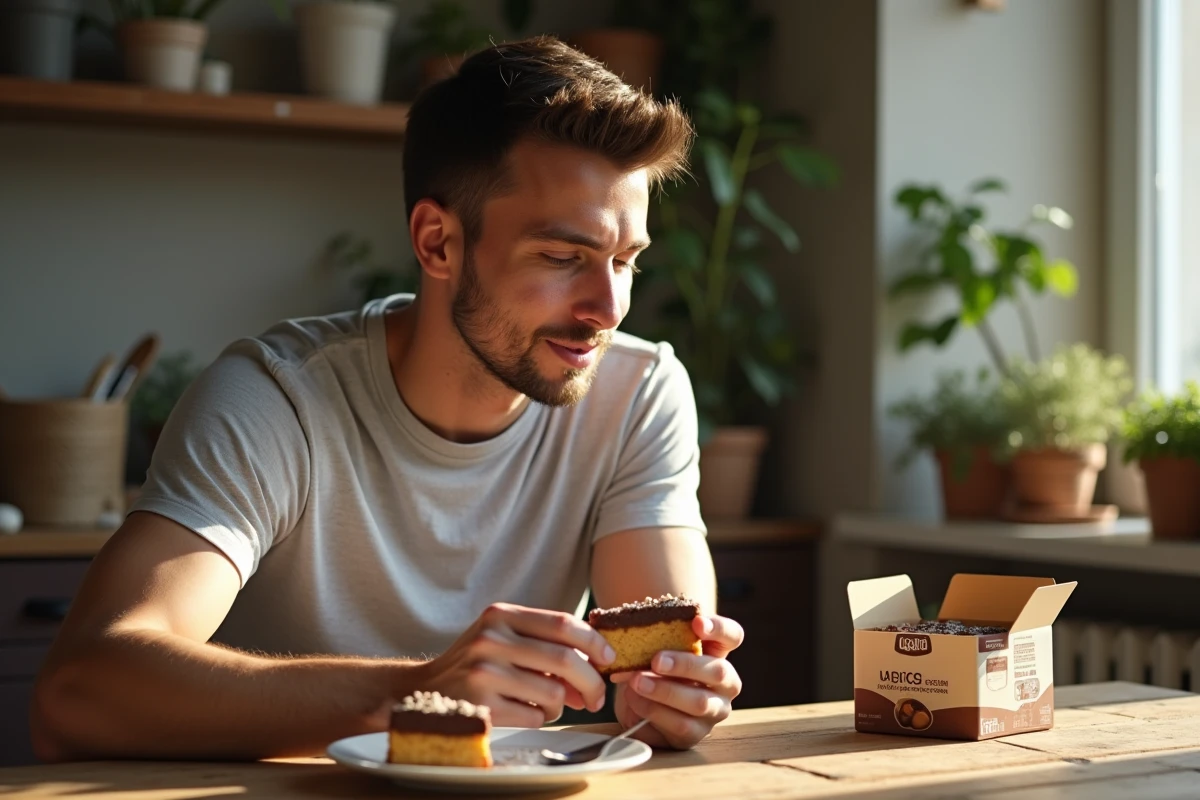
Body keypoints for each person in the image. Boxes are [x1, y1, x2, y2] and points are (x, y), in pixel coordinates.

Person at [32, 36, 743, 762]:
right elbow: (80, 689)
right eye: (563, 258)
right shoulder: (277, 399)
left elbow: (656, 686)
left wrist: (679, 699)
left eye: (626, 261)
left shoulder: (636, 393)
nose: (609, 306)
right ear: (437, 243)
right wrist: (416, 694)